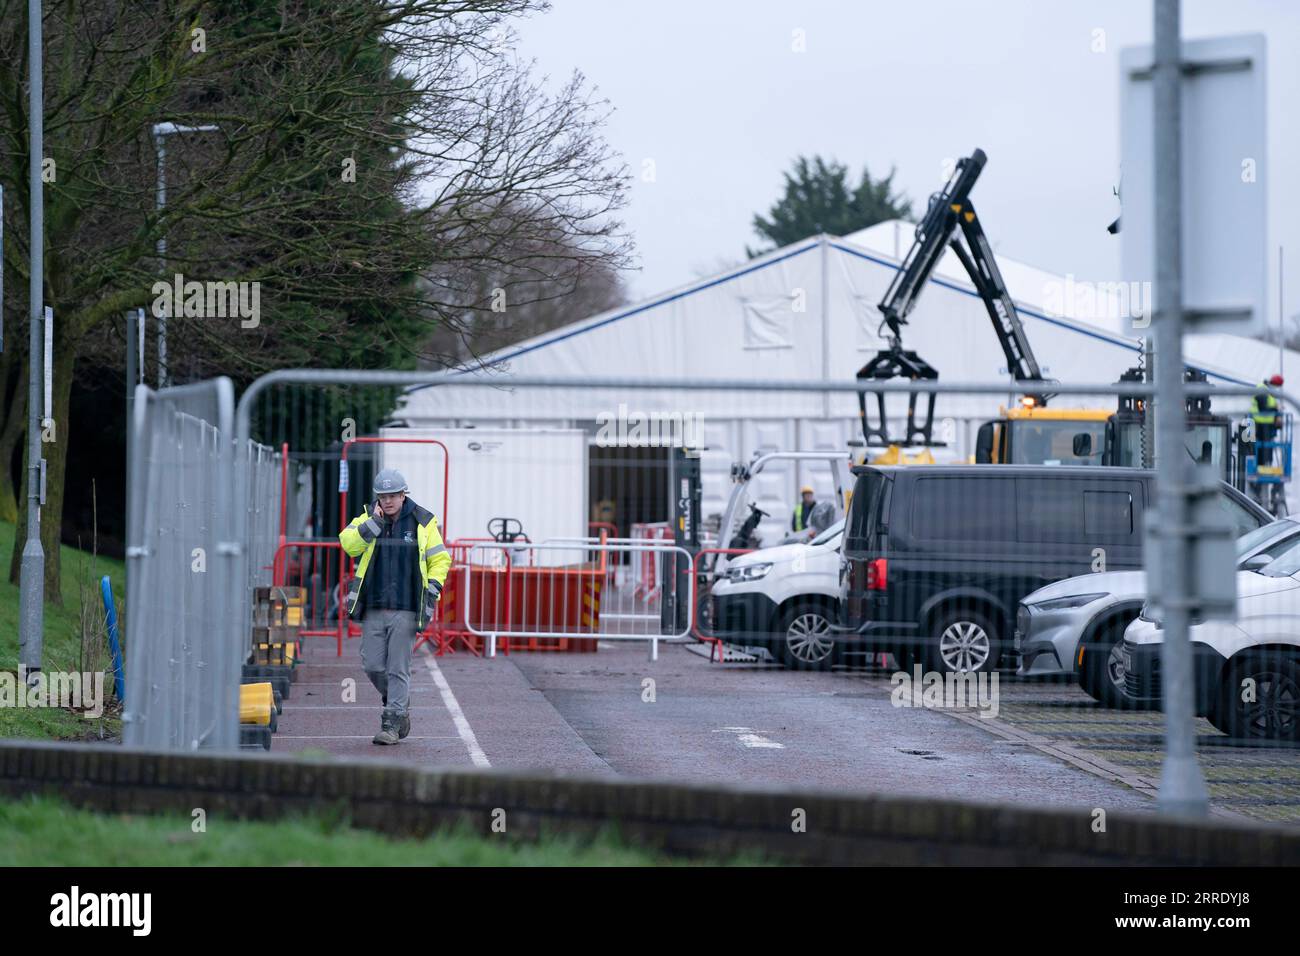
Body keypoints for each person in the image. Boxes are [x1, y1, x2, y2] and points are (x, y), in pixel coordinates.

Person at [339, 468, 451, 745]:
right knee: (372, 665)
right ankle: (398, 702)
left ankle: (392, 721)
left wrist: (433, 588)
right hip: (375, 605)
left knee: (397, 668)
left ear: (403, 495)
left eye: (393, 495)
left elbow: (440, 559)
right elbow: (348, 545)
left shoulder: (423, 521)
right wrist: (372, 525)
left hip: (407, 606)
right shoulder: (367, 517)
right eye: (383, 496)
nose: (387, 501)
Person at [1251, 375, 1283, 467]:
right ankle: (1260, 467)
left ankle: (1263, 466)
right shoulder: (1262, 389)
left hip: (1262, 425)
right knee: (1258, 451)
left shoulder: (1267, 391)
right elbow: (1263, 409)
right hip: (1258, 424)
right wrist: (1276, 409)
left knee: (1264, 451)